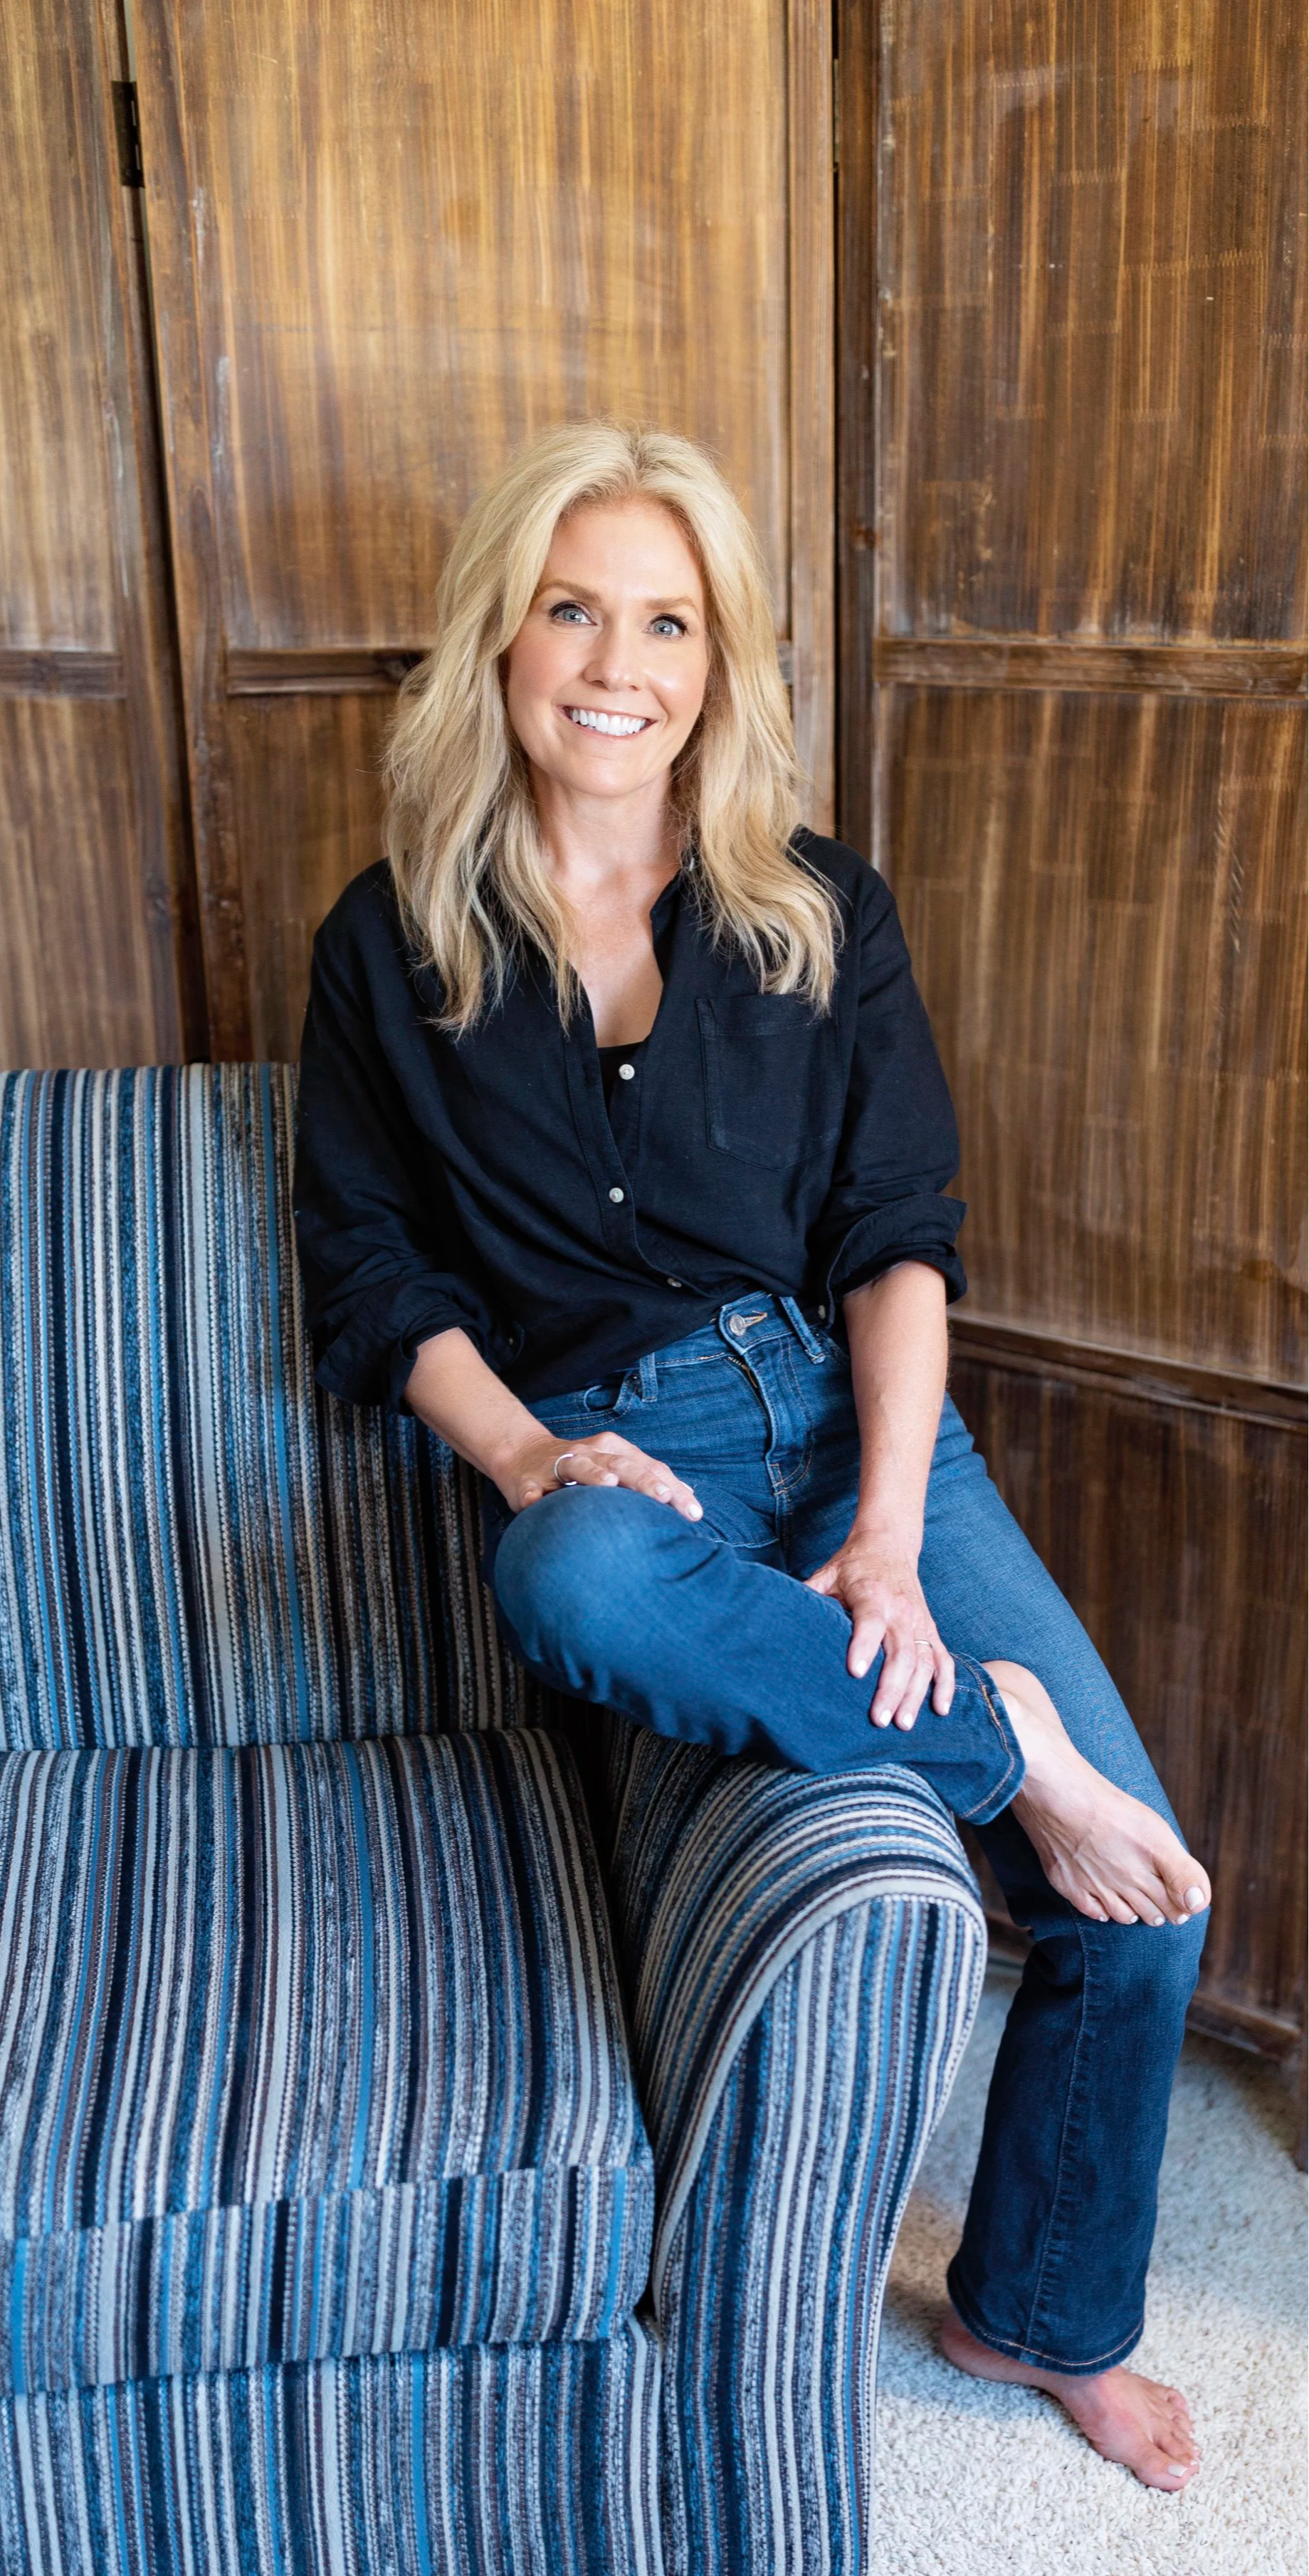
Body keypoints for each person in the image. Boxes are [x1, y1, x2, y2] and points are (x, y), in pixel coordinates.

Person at [293, 419, 1211, 2493]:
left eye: (666, 622)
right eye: (572, 609)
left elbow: (898, 1240)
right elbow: (365, 1269)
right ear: (501, 642)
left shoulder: (813, 914)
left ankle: (1027, 2311)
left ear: (716, 668)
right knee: (570, 1577)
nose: (615, 662)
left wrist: (887, 1533)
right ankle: (996, 1753)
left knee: (1139, 1906)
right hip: (624, 1465)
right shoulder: (391, 940)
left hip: (843, 1417)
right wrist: (530, 1450)